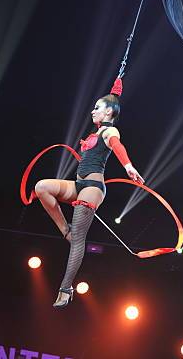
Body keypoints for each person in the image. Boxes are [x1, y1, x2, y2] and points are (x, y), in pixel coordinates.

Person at [34, 92, 144, 308]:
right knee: (41, 187)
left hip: (93, 188)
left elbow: (117, 146)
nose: (92, 111)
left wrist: (129, 167)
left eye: (97, 107)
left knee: (79, 239)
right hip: (78, 185)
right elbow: (114, 93)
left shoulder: (110, 130)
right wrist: (115, 89)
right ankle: (66, 230)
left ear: (109, 112)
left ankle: (66, 288)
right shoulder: (98, 130)